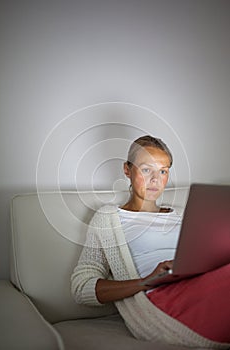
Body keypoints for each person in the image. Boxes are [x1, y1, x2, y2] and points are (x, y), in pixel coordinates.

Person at [71, 135, 230, 348]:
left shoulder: (186, 213)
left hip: (204, 285)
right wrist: (146, 281)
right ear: (127, 170)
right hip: (165, 302)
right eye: (147, 170)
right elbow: (81, 288)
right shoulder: (108, 218)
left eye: (163, 171)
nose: (156, 179)